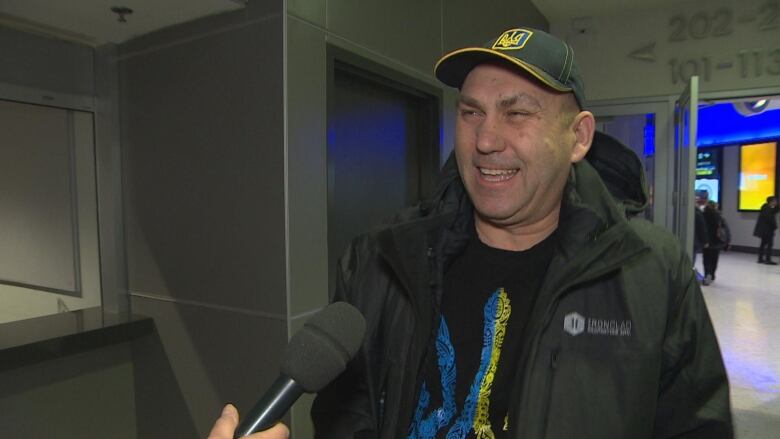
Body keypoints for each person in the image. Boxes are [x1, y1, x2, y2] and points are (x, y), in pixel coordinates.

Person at [212, 26, 733, 438]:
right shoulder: (382, 259)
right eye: (471, 113)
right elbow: (345, 418)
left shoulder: (651, 272)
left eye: (517, 113)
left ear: (578, 137)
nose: (485, 139)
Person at [702, 200, 726, 285]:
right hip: (716, 241)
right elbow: (724, 228)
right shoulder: (718, 216)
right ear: (715, 206)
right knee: (714, 259)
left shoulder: (703, 215)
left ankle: (707, 274)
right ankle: (712, 274)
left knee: (706, 259)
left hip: (707, 241)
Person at [754, 195, 779, 264]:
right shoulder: (768, 209)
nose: (776, 202)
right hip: (767, 230)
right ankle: (768, 260)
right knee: (769, 245)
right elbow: (770, 220)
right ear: (771, 202)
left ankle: (760, 259)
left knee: (763, 244)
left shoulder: (765, 207)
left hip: (764, 230)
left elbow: (776, 209)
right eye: (775, 201)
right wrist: (775, 227)